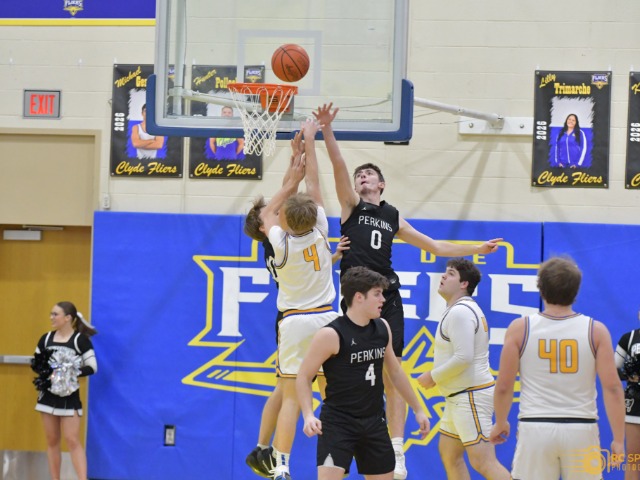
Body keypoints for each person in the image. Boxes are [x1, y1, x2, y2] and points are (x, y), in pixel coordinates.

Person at [313, 102, 502, 480]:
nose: (361, 177)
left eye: (369, 174)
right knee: (338, 369)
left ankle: (397, 449)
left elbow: (434, 246)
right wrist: (327, 130)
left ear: (381, 184)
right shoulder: (350, 206)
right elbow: (337, 164)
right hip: (354, 299)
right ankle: (342, 427)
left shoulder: (392, 215)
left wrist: (476, 249)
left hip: (386, 297)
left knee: (391, 369)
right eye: (359, 175)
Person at [246, 119, 338, 480]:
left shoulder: (278, 242)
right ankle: (334, 456)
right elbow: (311, 190)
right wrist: (308, 150)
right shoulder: (321, 231)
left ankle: (280, 464)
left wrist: (292, 167)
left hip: (295, 319)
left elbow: (273, 210)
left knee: (288, 394)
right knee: (330, 395)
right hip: (327, 318)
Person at [490, 256, 625, 480]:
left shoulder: (520, 328)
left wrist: (501, 422)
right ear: (576, 290)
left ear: (540, 288)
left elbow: (504, 386)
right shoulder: (596, 330)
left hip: (536, 427)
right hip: (581, 428)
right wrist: (618, 439)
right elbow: (612, 387)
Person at [297, 266, 430, 480]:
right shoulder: (330, 334)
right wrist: (308, 415)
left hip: (374, 421)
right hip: (338, 423)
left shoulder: (382, 327)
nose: (383, 300)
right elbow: (304, 376)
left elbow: (395, 372)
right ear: (359, 297)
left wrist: (418, 409)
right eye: (377, 294)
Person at [416, 258, 510, 479]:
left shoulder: (461, 312)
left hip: (470, 396)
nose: (443, 276)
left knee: (483, 462)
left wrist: (433, 376)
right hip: (459, 397)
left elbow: (464, 357)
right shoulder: (461, 310)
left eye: (451, 274)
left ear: (464, 284)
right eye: (445, 272)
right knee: (450, 455)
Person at [34, 301, 98, 480]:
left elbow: (93, 367)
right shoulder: (45, 339)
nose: (51, 317)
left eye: (55, 314)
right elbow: (36, 363)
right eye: (51, 313)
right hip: (47, 396)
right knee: (52, 440)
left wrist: (69, 371)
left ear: (68, 318)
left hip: (69, 397)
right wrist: (48, 371)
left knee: (72, 440)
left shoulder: (80, 340)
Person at [615, 310, 640, 480]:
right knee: (633, 459)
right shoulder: (629, 338)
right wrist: (628, 375)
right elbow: (612, 369)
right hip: (635, 401)